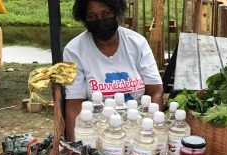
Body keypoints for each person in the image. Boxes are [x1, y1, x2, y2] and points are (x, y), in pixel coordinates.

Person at [64, 0, 163, 141]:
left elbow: (156, 91)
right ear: (84, 19)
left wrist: (149, 131)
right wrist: (74, 147)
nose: (100, 21)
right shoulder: (74, 50)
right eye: (92, 16)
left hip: (137, 130)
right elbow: (74, 104)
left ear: (116, 12)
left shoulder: (137, 43)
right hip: (97, 133)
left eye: (106, 13)